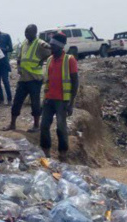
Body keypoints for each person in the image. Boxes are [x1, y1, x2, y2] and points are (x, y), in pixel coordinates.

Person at [40, 32, 79, 160]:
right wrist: (45, 98)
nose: (50, 48)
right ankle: (46, 151)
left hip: (62, 100)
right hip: (49, 99)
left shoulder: (69, 60)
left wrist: (71, 103)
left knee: (61, 128)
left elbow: (75, 82)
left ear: (60, 47)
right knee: (44, 125)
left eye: (53, 46)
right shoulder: (50, 59)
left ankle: (63, 153)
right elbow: (48, 80)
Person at [8, 24, 51, 132]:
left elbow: (50, 50)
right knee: (17, 101)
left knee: (35, 103)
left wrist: (42, 60)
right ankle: (12, 124)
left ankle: (36, 126)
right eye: (25, 32)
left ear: (34, 32)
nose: (26, 34)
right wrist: (18, 67)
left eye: (28, 32)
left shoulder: (39, 43)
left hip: (35, 79)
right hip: (24, 78)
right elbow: (19, 57)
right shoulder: (24, 43)